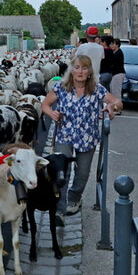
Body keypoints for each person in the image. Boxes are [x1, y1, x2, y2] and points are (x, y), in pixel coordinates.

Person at [41, 55, 122, 223]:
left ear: (89, 72)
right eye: (77, 67)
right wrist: (52, 113)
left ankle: (74, 198)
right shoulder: (61, 87)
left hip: (88, 137)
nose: (80, 71)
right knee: (62, 171)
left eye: (84, 68)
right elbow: (45, 105)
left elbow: (118, 102)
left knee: (82, 173)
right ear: (71, 70)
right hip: (64, 135)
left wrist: (110, 106)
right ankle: (59, 209)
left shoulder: (97, 89)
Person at [110, 38, 126, 105]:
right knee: (113, 91)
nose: (111, 45)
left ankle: (118, 108)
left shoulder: (118, 53)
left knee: (116, 92)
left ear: (117, 45)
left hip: (118, 74)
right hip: (115, 74)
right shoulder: (115, 52)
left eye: (113, 44)